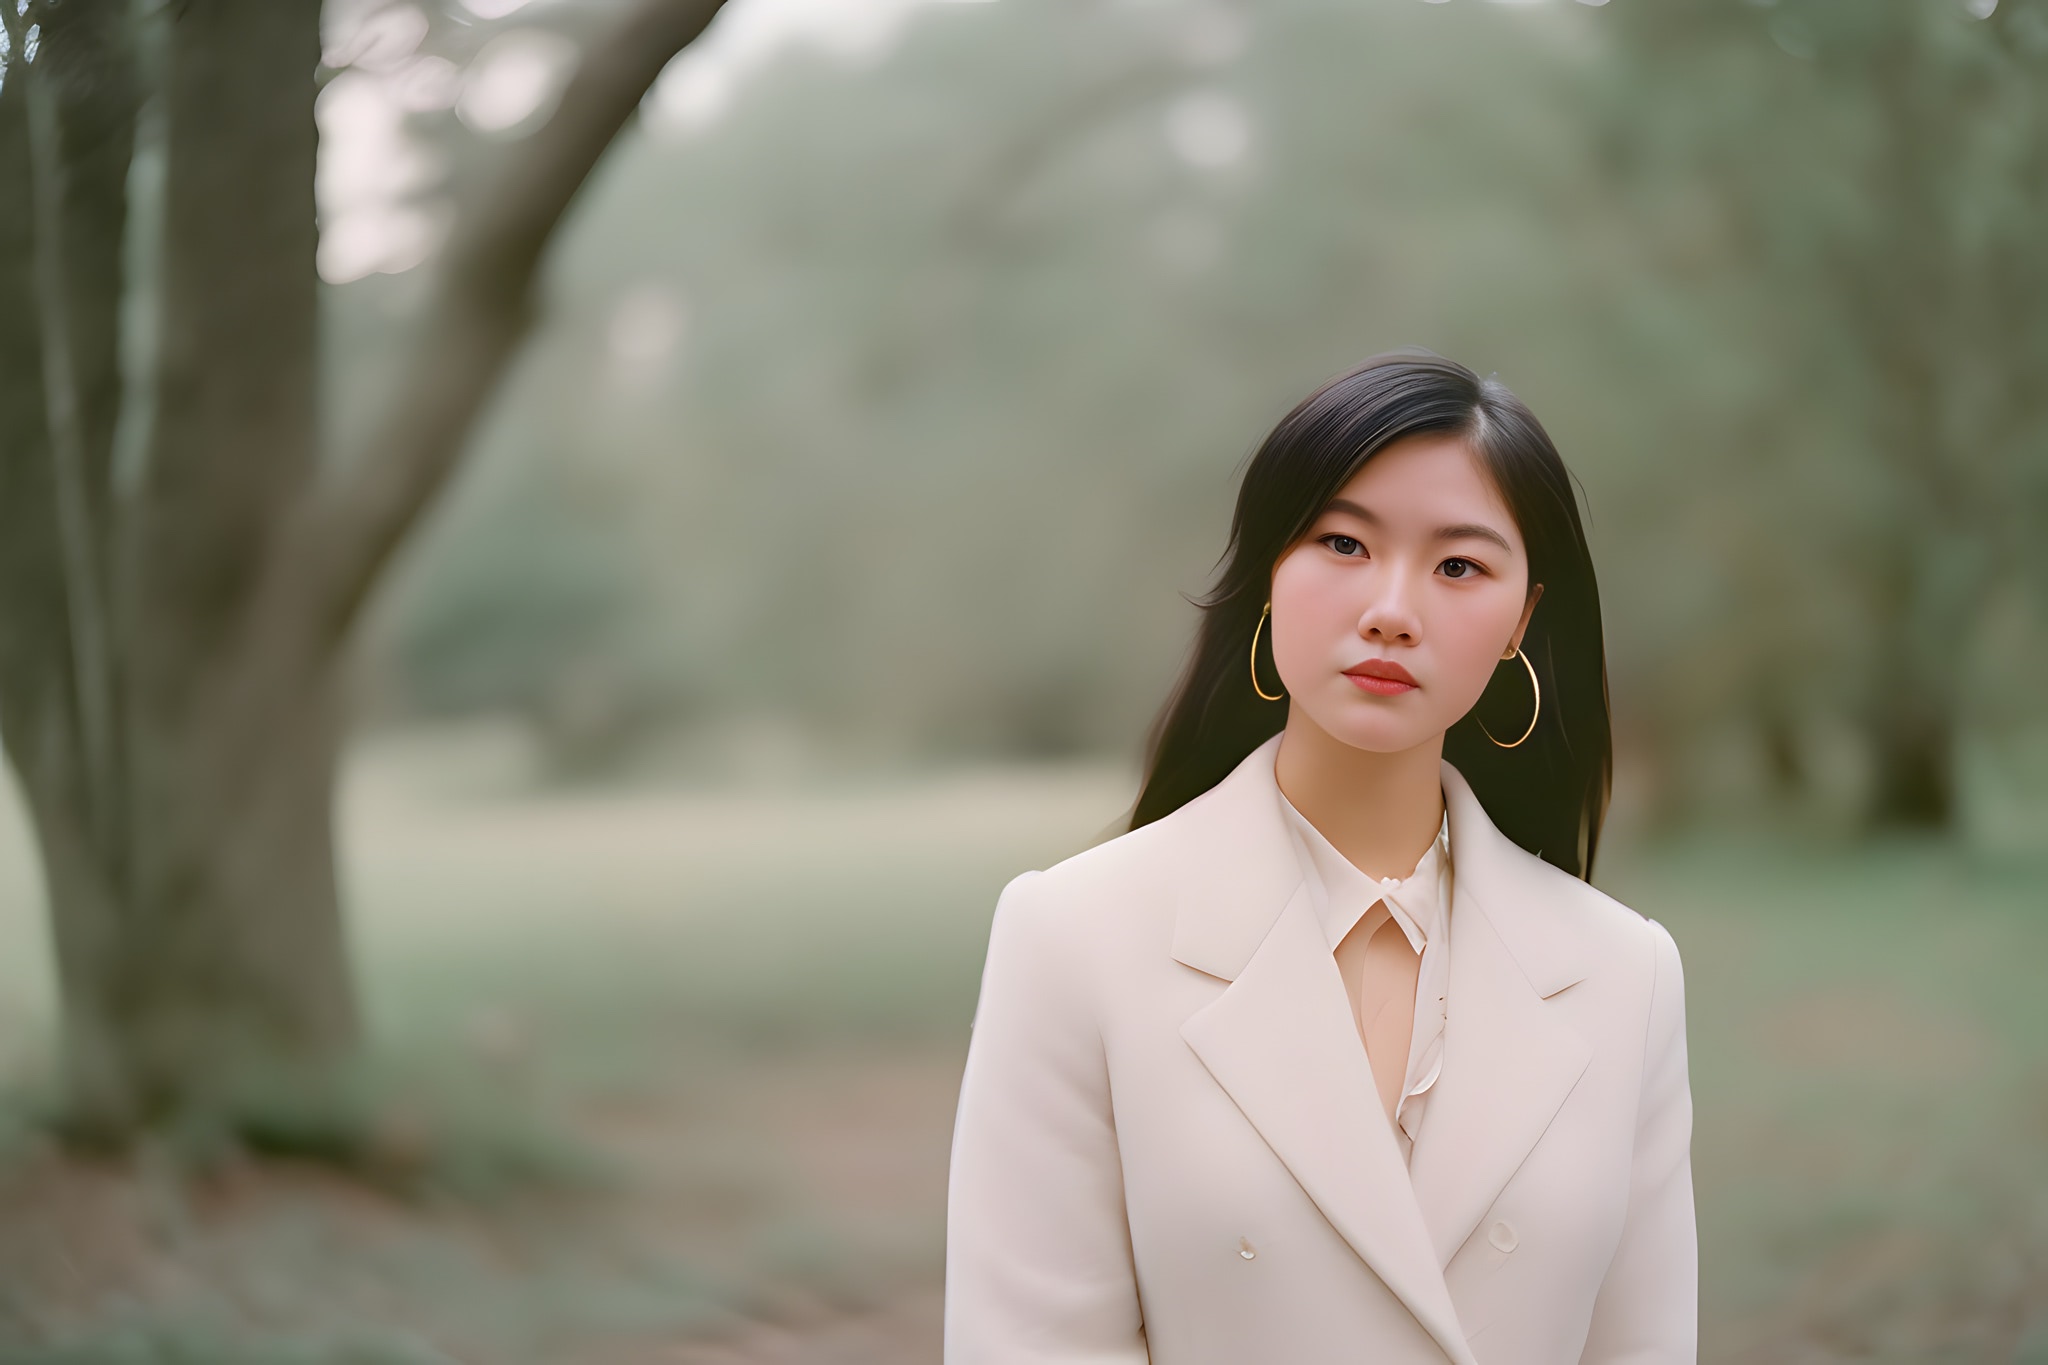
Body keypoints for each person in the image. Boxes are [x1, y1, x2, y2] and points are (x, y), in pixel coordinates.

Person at [943, 352, 1696, 1364]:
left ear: (1522, 618)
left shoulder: (1622, 974)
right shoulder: (1074, 936)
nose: (1391, 606)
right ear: (1266, 571)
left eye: (1457, 565)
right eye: (1342, 542)